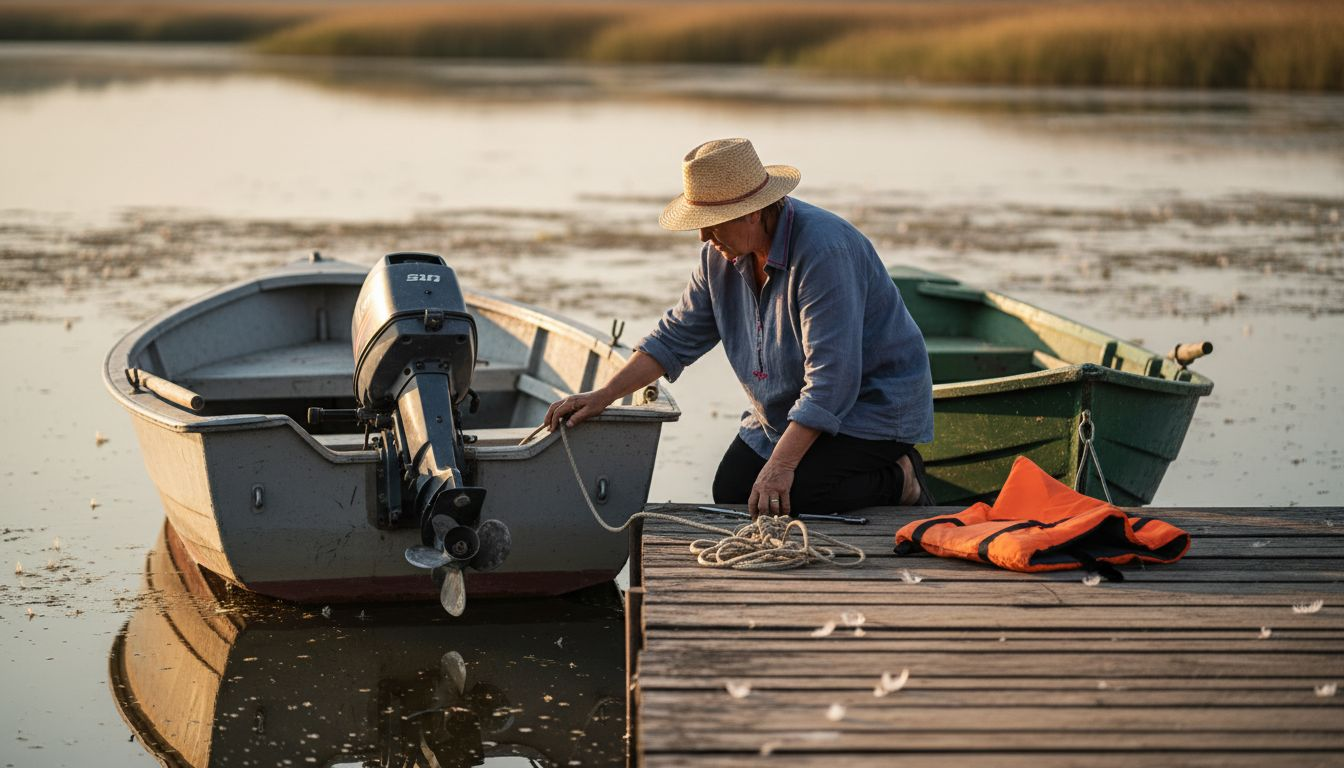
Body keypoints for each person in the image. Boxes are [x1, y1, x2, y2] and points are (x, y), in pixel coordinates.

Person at [545, 137, 934, 518]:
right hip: (787, 412)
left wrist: (780, 468)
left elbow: (833, 382)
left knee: (801, 493)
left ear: (753, 212)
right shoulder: (719, 254)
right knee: (731, 491)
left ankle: (902, 478)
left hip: (871, 409)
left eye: (711, 223)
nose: (702, 236)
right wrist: (603, 395)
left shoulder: (825, 252)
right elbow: (674, 337)